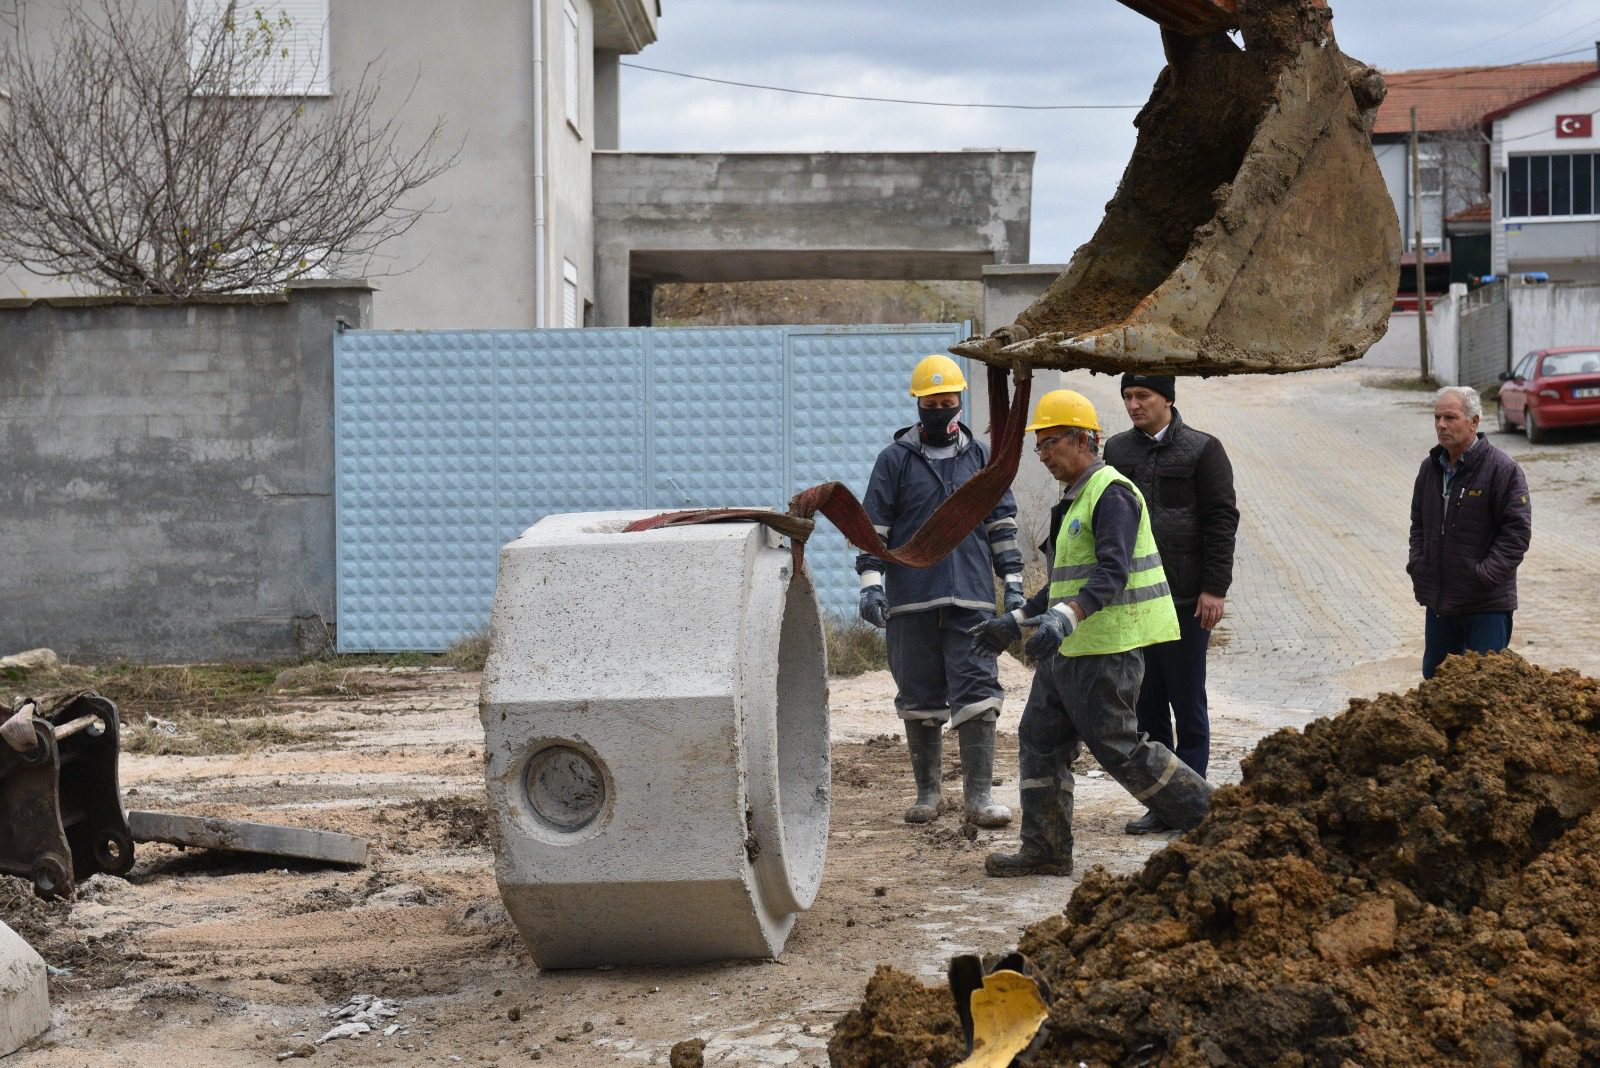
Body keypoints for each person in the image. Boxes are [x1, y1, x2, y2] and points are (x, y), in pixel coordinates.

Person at [970, 389, 1214, 877]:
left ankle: (1216, 818)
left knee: (1120, 747)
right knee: (1039, 739)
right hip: (1070, 650)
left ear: (1084, 440)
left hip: (1105, 648)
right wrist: (1016, 621)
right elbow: (1066, 583)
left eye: (1049, 443)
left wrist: (1064, 619)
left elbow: (1112, 572)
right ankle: (1045, 848)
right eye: (1037, 446)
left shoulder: (1112, 493)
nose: (1042, 456)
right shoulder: (1076, 497)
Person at [856, 354, 1024, 827]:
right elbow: (874, 531)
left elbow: (1002, 525)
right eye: (931, 402)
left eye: (948, 401)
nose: (940, 409)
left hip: (971, 598)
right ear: (918, 404)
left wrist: (1013, 585)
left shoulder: (982, 458)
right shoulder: (894, 461)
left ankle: (978, 799)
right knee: (918, 695)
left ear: (960, 402)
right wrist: (871, 585)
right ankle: (928, 794)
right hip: (910, 598)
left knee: (978, 690)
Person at [1102, 374, 1238, 835]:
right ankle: (1163, 802)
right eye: (1127, 397)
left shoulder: (1203, 450)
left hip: (1184, 600)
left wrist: (1214, 588)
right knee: (1147, 703)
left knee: (1187, 701)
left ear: (1168, 399)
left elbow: (1221, 521)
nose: (1133, 405)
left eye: (1142, 396)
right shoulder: (1119, 452)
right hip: (1136, 601)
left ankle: (1194, 800)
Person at [1408, 385, 1532, 680]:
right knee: (1436, 683)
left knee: (1485, 689)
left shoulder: (1502, 470)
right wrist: (1419, 565)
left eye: (1450, 417)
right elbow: (1419, 524)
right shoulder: (1430, 469)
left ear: (1474, 421)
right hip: (1440, 605)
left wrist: (1483, 575)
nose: (1441, 425)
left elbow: (1516, 534)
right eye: (1437, 417)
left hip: (1485, 607)